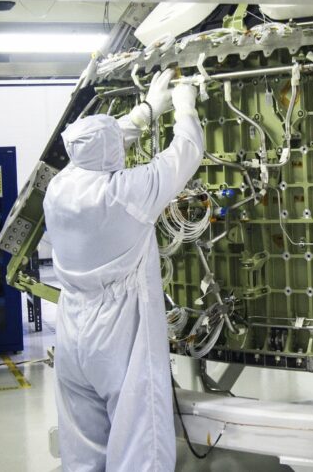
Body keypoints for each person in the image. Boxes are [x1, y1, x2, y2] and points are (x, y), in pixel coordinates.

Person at [44, 71, 203, 471]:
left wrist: (146, 111)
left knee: (81, 439)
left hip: (71, 328)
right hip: (118, 331)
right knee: (139, 438)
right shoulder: (125, 193)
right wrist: (185, 105)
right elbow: (184, 153)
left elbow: (97, 150)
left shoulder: (59, 189)